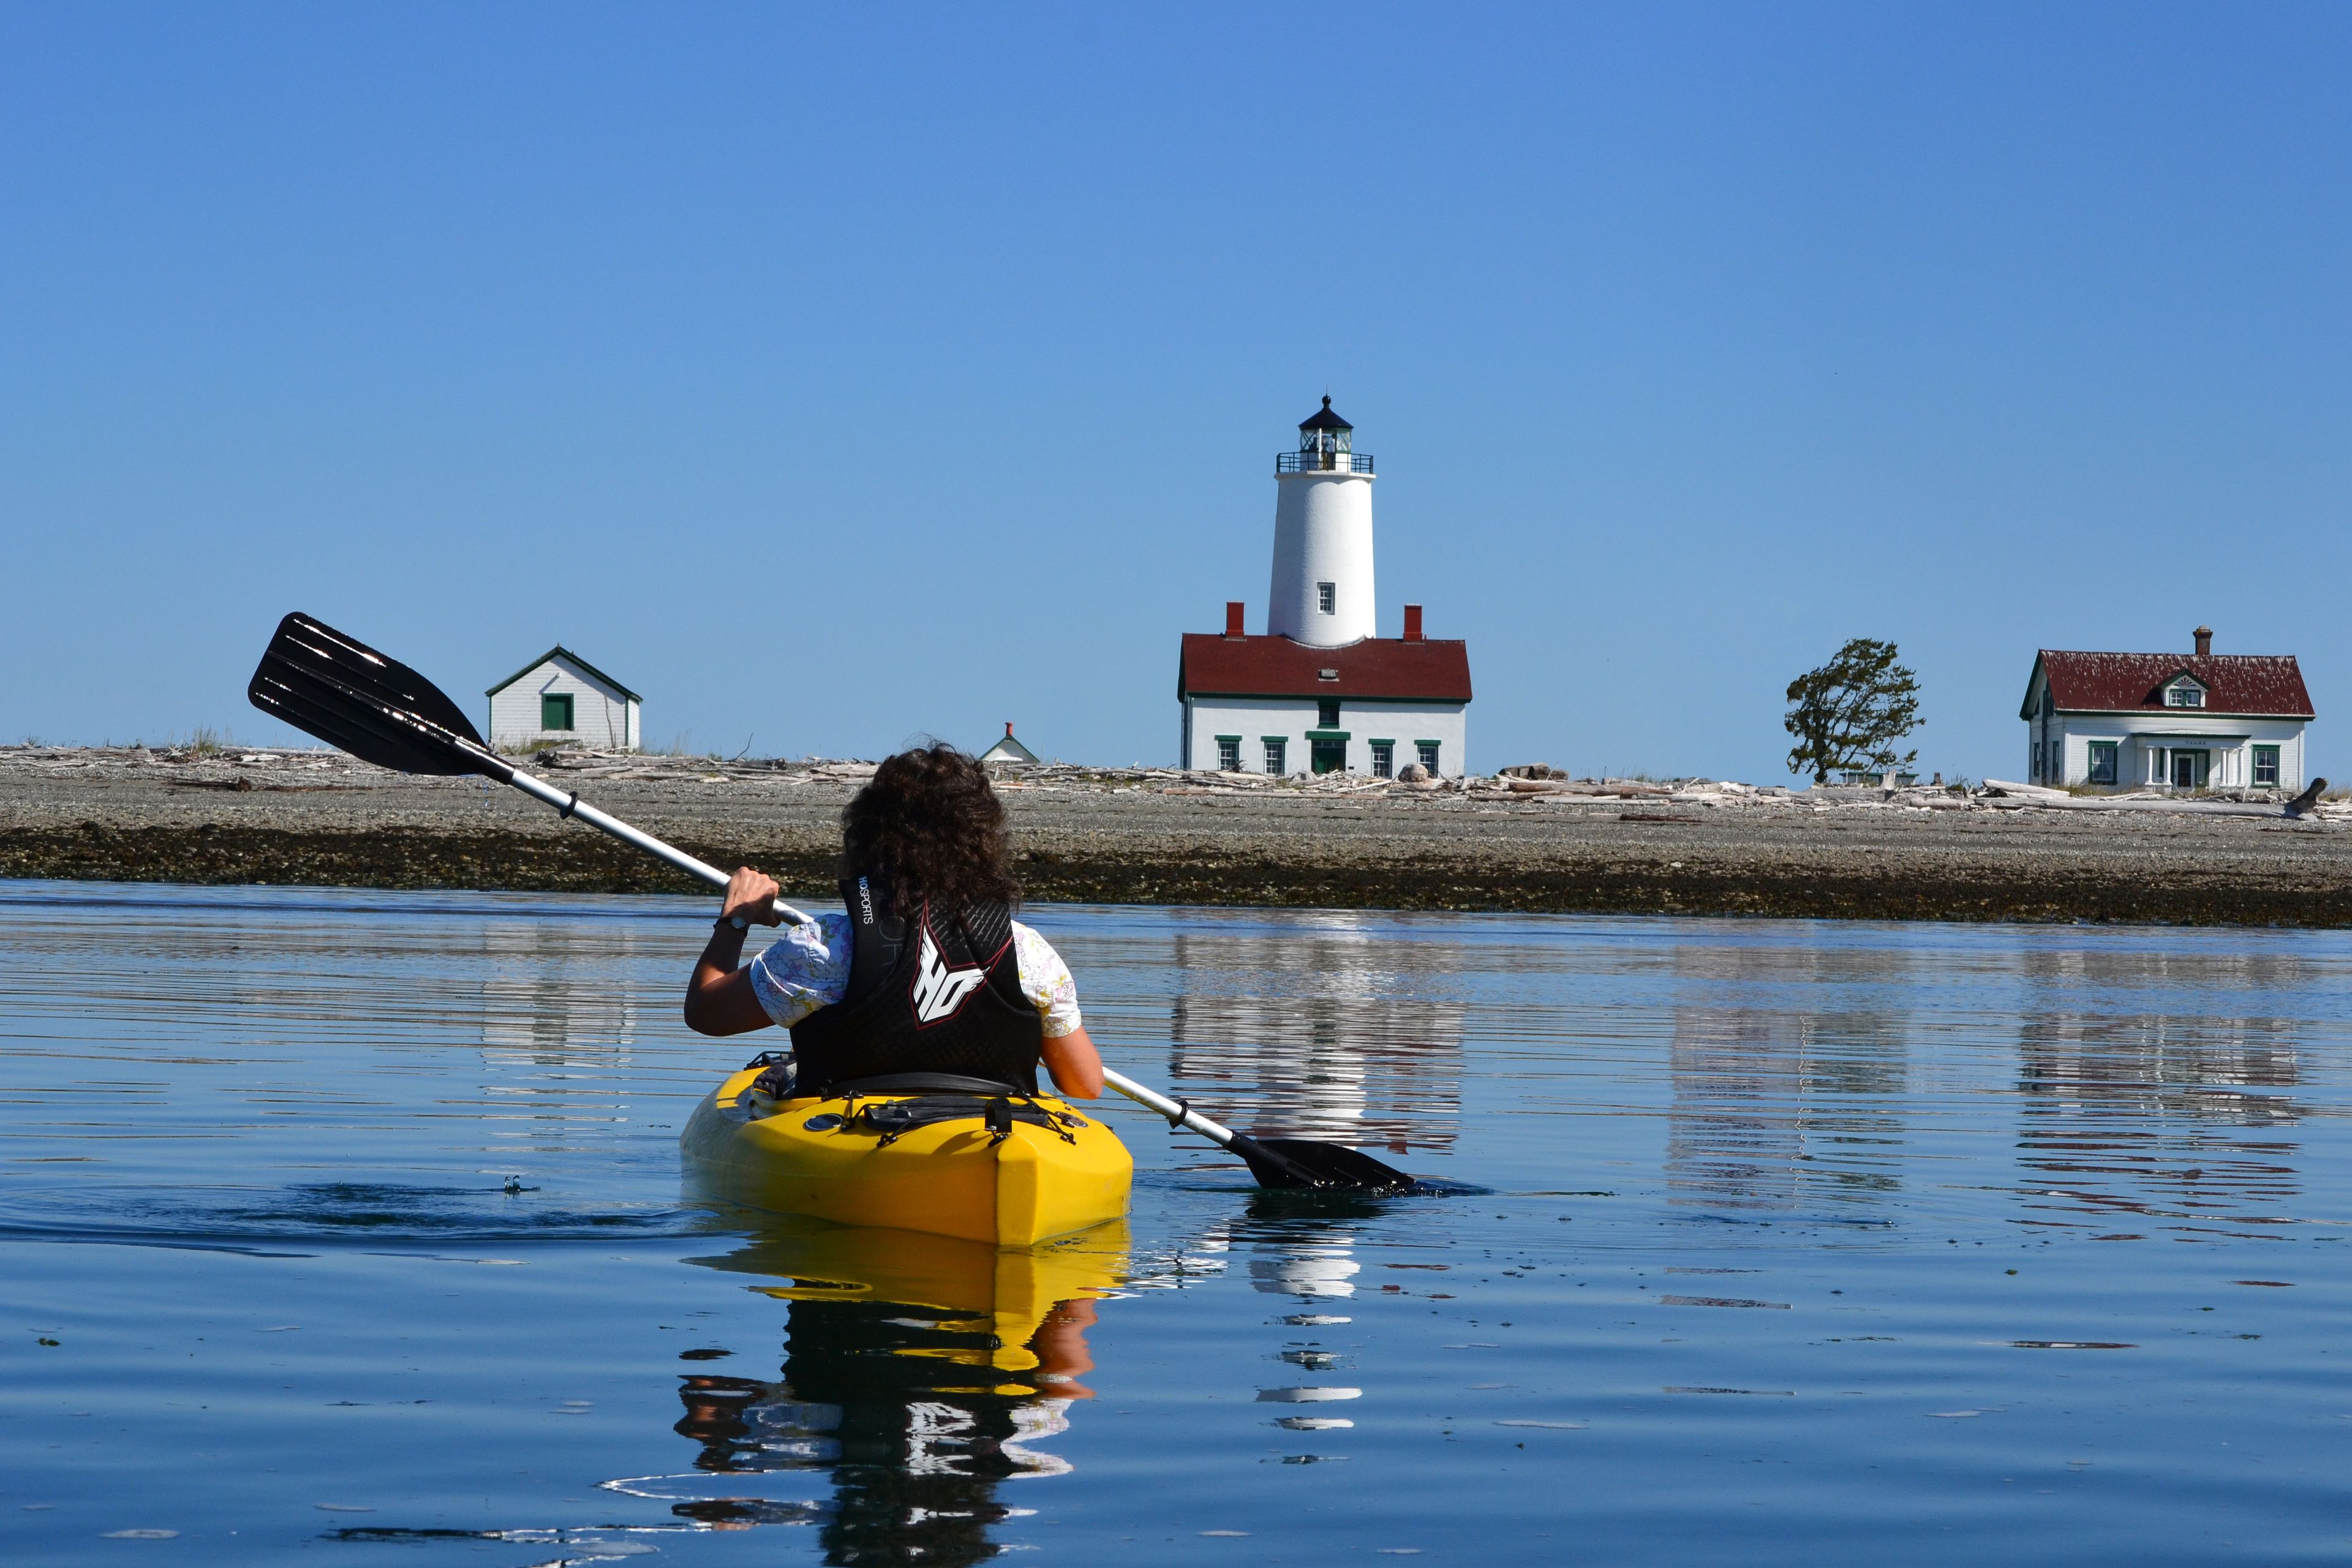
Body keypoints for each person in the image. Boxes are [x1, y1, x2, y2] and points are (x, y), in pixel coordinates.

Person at [682, 743, 1104, 1101]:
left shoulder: (826, 947)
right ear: (984, 845)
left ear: (868, 838)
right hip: (989, 1134)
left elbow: (705, 1012)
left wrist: (736, 917)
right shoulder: (1029, 953)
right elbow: (1084, 1085)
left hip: (851, 1133)